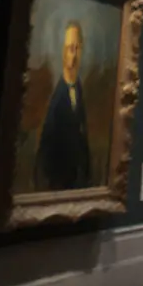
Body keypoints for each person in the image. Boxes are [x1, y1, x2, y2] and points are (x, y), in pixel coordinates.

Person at [37, 21, 92, 191]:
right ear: (62, 52)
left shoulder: (80, 90)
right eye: (69, 48)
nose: (74, 55)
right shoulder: (57, 98)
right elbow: (46, 151)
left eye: (77, 48)